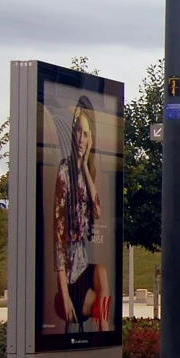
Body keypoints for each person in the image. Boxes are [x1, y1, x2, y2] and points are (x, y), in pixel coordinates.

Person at [54, 95, 110, 332]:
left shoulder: (87, 173)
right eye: (78, 131)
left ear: (91, 140)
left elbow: (97, 210)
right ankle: (103, 330)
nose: (80, 138)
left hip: (83, 266)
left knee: (102, 272)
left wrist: (86, 167)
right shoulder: (64, 171)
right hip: (69, 278)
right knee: (98, 302)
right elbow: (58, 237)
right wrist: (64, 294)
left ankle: (103, 331)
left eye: (86, 134)